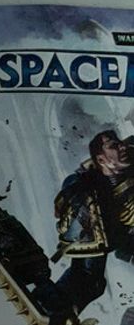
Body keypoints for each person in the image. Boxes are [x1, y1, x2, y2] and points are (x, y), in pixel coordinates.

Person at [52, 129, 134, 315]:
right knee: (91, 281)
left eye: (119, 143)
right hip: (119, 237)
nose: (121, 147)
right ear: (101, 160)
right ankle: (55, 308)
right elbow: (88, 275)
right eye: (113, 146)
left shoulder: (130, 151)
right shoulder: (90, 193)